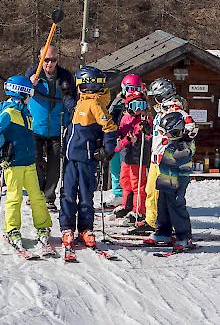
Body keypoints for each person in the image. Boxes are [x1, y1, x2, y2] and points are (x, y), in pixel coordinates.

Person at [0, 75, 52, 250]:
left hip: (29, 162)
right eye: (29, 92)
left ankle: (43, 227)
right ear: (21, 94)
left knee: (37, 197)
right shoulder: (9, 113)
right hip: (13, 163)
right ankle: (12, 229)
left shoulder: (26, 112)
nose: (32, 95)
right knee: (14, 198)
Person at [59, 66, 118, 249]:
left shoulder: (96, 103)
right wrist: (66, 94)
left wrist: (107, 149)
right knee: (68, 193)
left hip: (85, 157)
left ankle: (85, 228)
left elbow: (109, 127)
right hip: (70, 157)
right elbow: (72, 108)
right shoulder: (83, 101)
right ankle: (67, 227)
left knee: (85, 194)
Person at [138, 78, 197, 234]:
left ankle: (169, 227)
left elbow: (191, 129)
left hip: (169, 160)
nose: (154, 99)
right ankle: (154, 223)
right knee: (152, 191)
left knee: (167, 196)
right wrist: (149, 129)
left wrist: (184, 139)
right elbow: (161, 132)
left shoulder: (178, 111)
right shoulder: (161, 111)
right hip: (156, 158)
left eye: (156, 95)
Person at [25, 46, 76, 211]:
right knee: (35, 162)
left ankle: (48, 197)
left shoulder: (65, 76)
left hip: (56, 127)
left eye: (53, 59)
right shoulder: (33, 74)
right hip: (36, 127)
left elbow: (70, 99)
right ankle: (36, 194)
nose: (49, 63)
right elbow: (23, 93)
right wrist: (30, 84)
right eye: (46, 59)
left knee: (54, 163)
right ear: (40, 59)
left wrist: (71, 117)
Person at [146, 111, 195, 252]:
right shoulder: (172, 142)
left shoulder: (184, 145)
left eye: (166, 133)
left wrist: (179, 143)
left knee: (176, 206)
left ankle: (184, 237)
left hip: (178, 179)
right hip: (166, 176)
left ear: (176, 131)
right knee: (162, 205)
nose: (164, 136)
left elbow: (182, 159)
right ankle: (163, 232)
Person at [107, 74, 146, 207]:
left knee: (129, 170)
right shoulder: (118, 102)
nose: (133, 91)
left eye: (136, 88)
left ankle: (129, 198)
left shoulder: (140, 101)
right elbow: (110, 116)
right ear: (124, 88)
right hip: (118, 136)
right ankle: (118, 193)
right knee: (116, 167)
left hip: (132, 140)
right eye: (130, 88)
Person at [113, 91, 152, 221]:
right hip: (126, 155)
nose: (139, 110)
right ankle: (127, 205)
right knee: (125, 180)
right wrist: (118, 138)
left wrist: (144, 135)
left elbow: (150, 136)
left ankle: (139, 209)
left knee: (138, 183)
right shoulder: (125, 118)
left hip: (139, 156)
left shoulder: (145, 119)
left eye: (142, 105)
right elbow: (121, 137)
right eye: (136, 106)